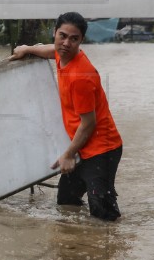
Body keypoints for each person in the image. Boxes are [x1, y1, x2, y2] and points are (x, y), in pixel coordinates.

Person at [10, 12, 123, 221]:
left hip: (102, 149)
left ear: (81, 41)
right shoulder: (62, 54)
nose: (66, 43)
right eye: (62, 36)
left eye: (74, 39)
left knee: (103, 212)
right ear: (54, 33)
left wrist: (69, 154)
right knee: (66, 202)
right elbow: (51, 51)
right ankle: (76, 244)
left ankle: (112, 246)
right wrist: (27, 49)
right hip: (82, 146)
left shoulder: (80, 76)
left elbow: (89, 123)